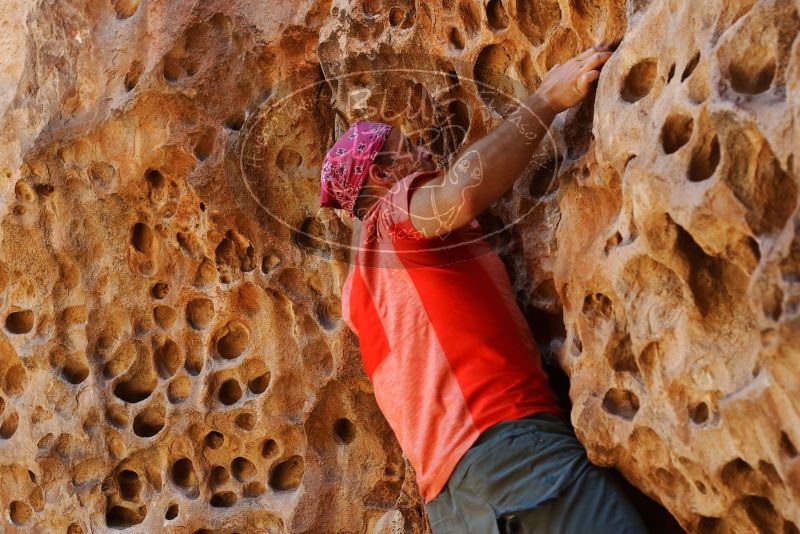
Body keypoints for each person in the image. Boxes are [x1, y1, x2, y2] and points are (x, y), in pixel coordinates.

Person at [319, 46, 648, 533]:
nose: (427, 153)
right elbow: (459, 195)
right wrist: (545, 99)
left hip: (451, 507)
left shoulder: (359, 293)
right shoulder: (394, 213)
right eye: (409, 147)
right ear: (384, 176)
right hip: (509, 448)